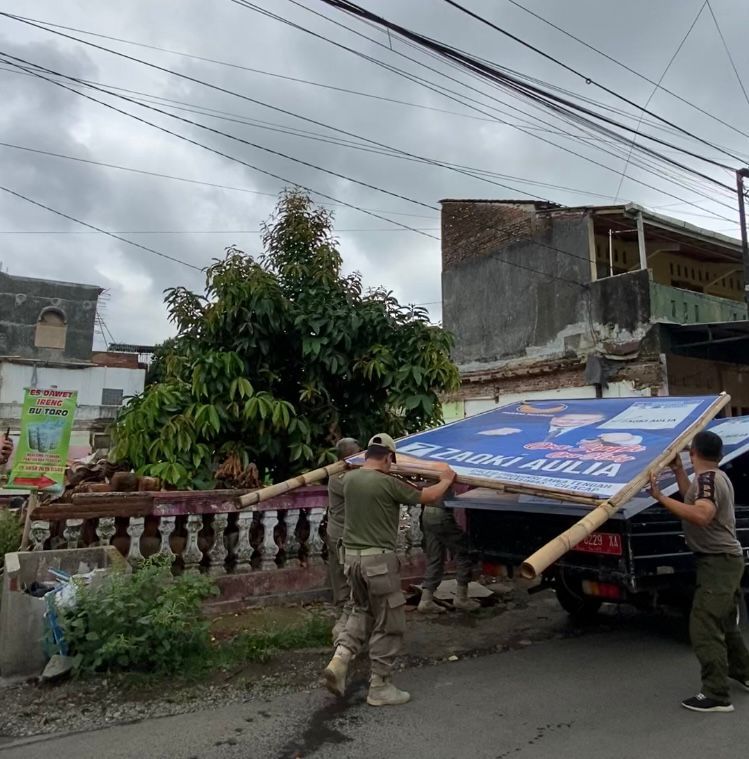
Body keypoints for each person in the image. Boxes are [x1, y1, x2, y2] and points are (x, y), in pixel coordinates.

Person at [323, 433, 456, 707]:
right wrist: (445, 479)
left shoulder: (347, 480)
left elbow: (397, 487)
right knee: (388, 621)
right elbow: (427, 496)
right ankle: (380, 686)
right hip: (378, 565)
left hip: (352, 562)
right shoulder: (386, 483)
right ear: (388, 458)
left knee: (360, 611)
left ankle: (340, 659)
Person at [650, 430, 749, 713]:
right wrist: (680, 472)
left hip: (718, 561)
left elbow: (701, 514)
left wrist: (659, 496)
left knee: (704, 623)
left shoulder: (708, 480)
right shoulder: (713, 477)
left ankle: (716, 694)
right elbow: (693, 498)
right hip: (723, 561)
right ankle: (744, 671)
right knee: (726, 622)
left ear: (694, 452)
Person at [417, 487, 478, 613]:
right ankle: (461, 597)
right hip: (440, 513)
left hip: (428, 512)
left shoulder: (431, 468)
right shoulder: (446, 469)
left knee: (435, 557)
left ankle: (426, 600)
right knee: (465, 550)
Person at [326, 437, 361, 643]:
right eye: (356, 453)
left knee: (344, 578)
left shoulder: (348, 474)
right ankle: (344, 629)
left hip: (341, 533)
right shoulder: (339, 477)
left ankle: (345, 626)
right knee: (347, 580)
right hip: (341, 536)